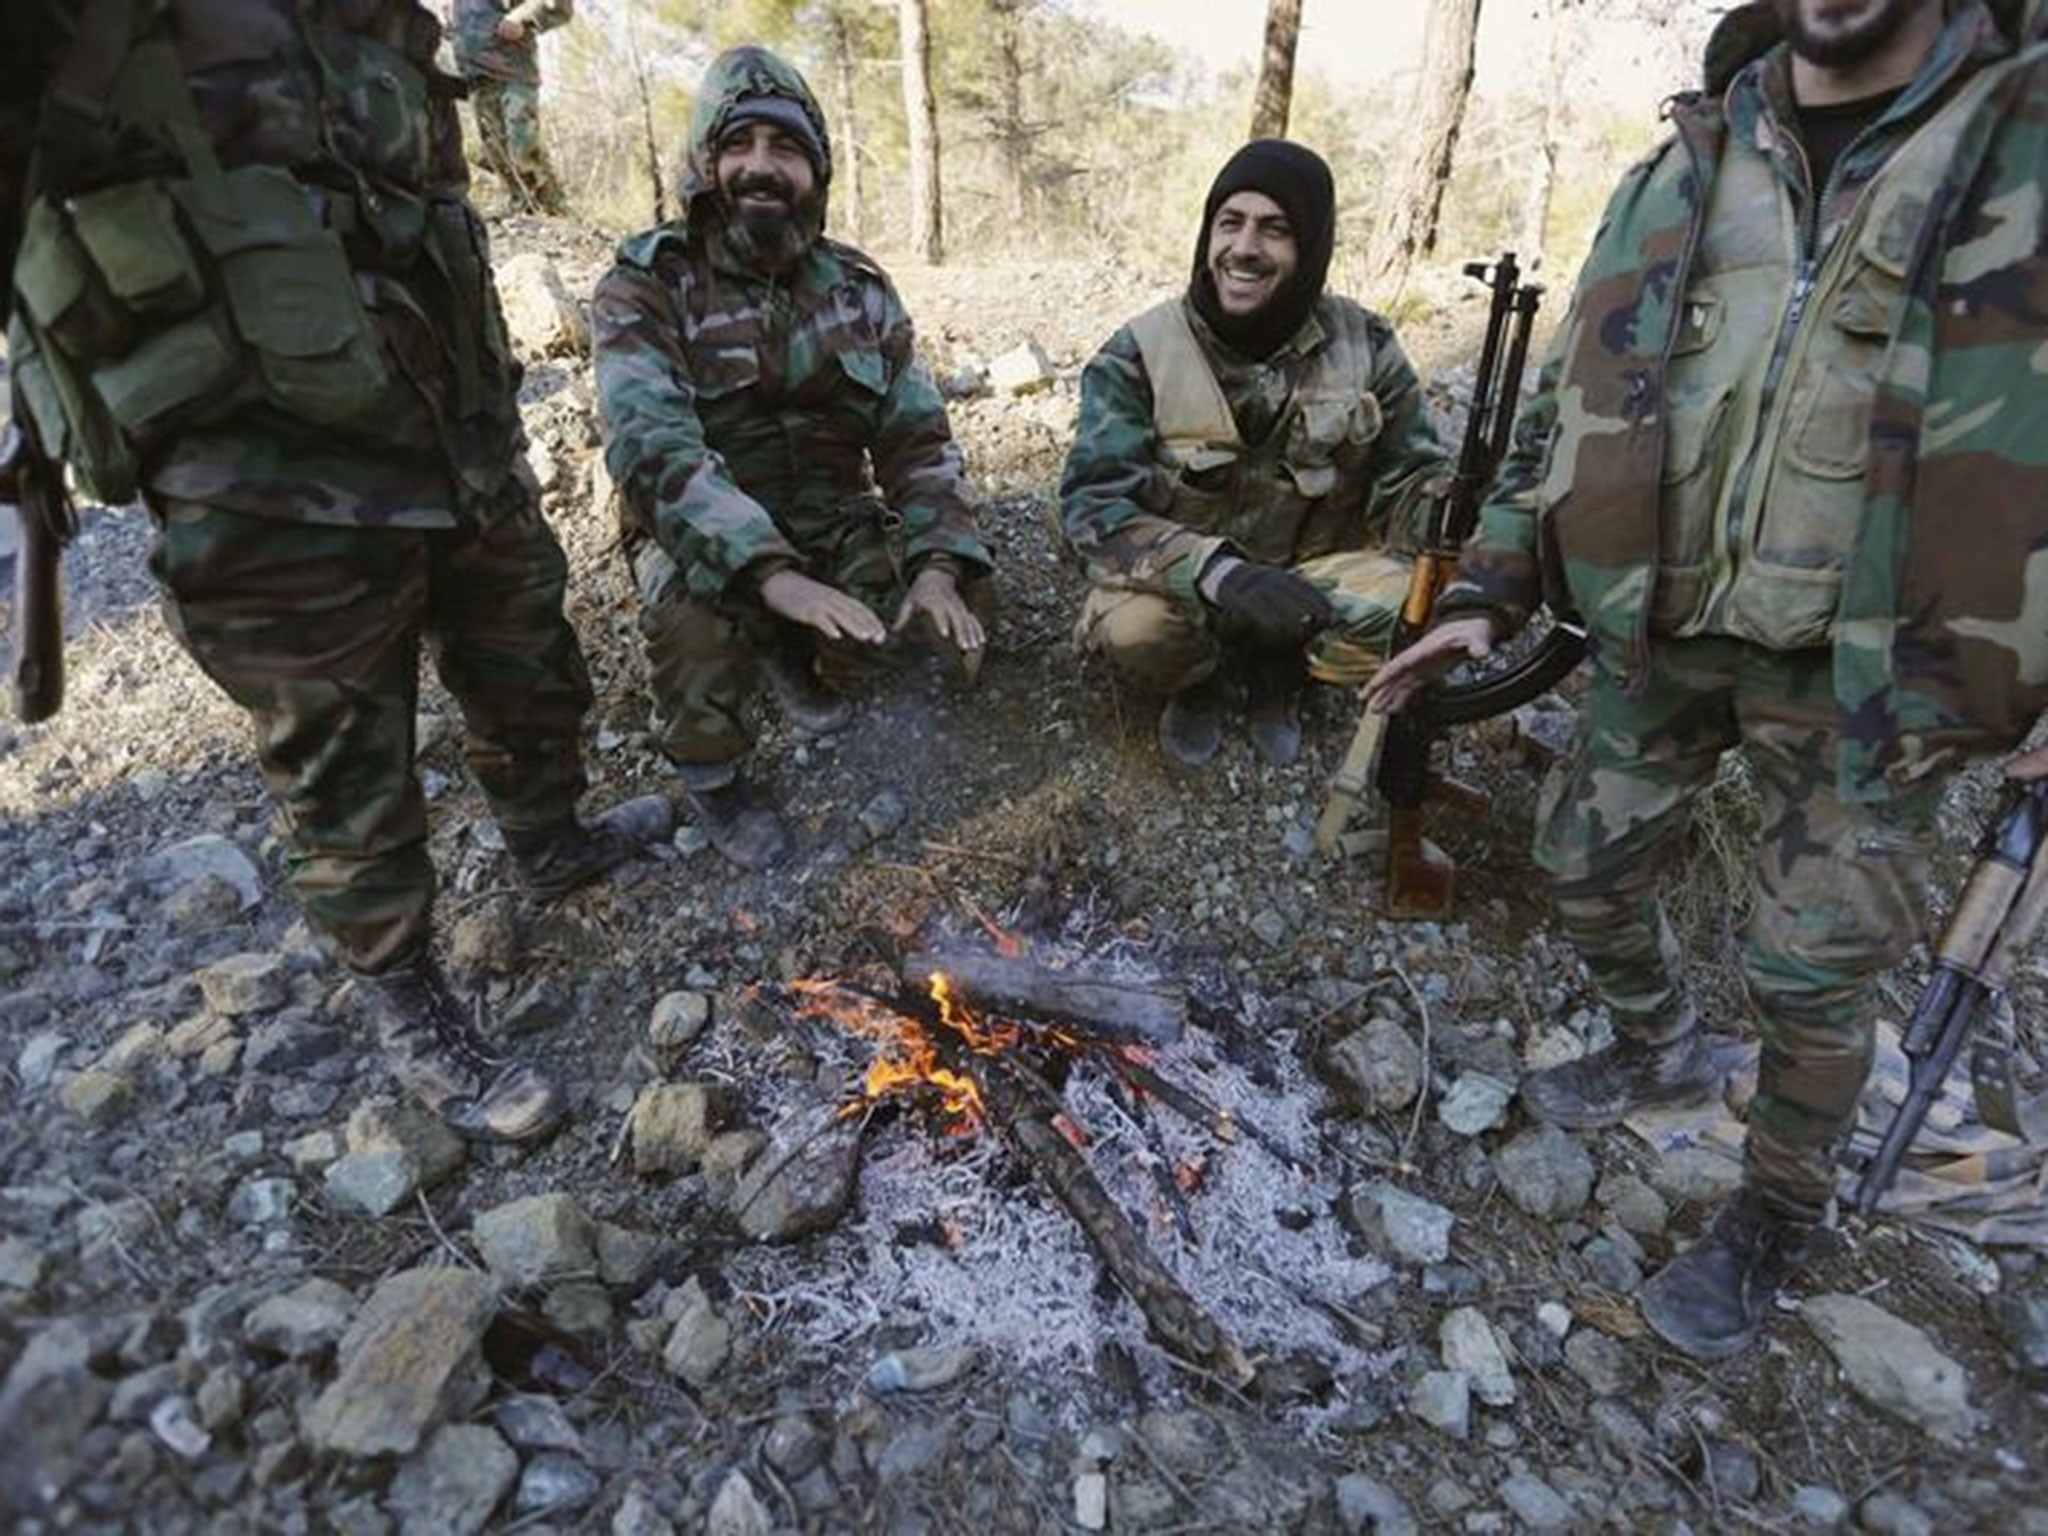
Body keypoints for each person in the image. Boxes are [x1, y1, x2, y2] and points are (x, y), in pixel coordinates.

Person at [1367, 0, 2048, 1359]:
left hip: (1878, 671)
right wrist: (1497, 591)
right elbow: (1572, 405)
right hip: (1657, 627)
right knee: (1583, 865)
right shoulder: (1687, 160)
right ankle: (1656, 1039)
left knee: (1808, 972)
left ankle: (1774, 1215)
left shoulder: (2021, 138)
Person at [2, 0, 671, 1145]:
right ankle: (406, 996)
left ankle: (551, 840)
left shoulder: (383, 21)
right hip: (255, 461)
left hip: (449, 413)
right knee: (341, 745)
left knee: (525, 642)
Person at [593, 45, 995, 872]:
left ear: (817, 169)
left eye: (785, 149)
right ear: (706, 162)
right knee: (698, 620)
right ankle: (715, 778)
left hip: (827, 512)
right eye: (739, 146)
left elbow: (917, 437)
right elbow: (652, 449)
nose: (761, 168)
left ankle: (798, 651)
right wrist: (770, 576)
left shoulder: (860, 287)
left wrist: (938, 566)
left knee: (933, 641)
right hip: (697, 523)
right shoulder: (648, 282)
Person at [1058, 139, 1447, 771]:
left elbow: (1413, 479)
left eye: (1275, 230)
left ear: (1312, 248)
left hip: (1309, 591)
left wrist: (1459, 510)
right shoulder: (1138, 352)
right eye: (1229, 223)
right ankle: (1200, 679)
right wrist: (1218, 573)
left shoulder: (1367, 344)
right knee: (1135, 631)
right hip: (1189, 588)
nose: (1243, 248)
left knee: (1421, 602)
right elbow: (1090, 510)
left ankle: (1286, 669)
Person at [449, 0, 573, 216]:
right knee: (496, 151)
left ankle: (553, 211)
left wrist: (523, 18)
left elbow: (558, 7)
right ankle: (519, 204)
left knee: (522, 144)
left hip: (513, 73)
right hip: (477, 78)